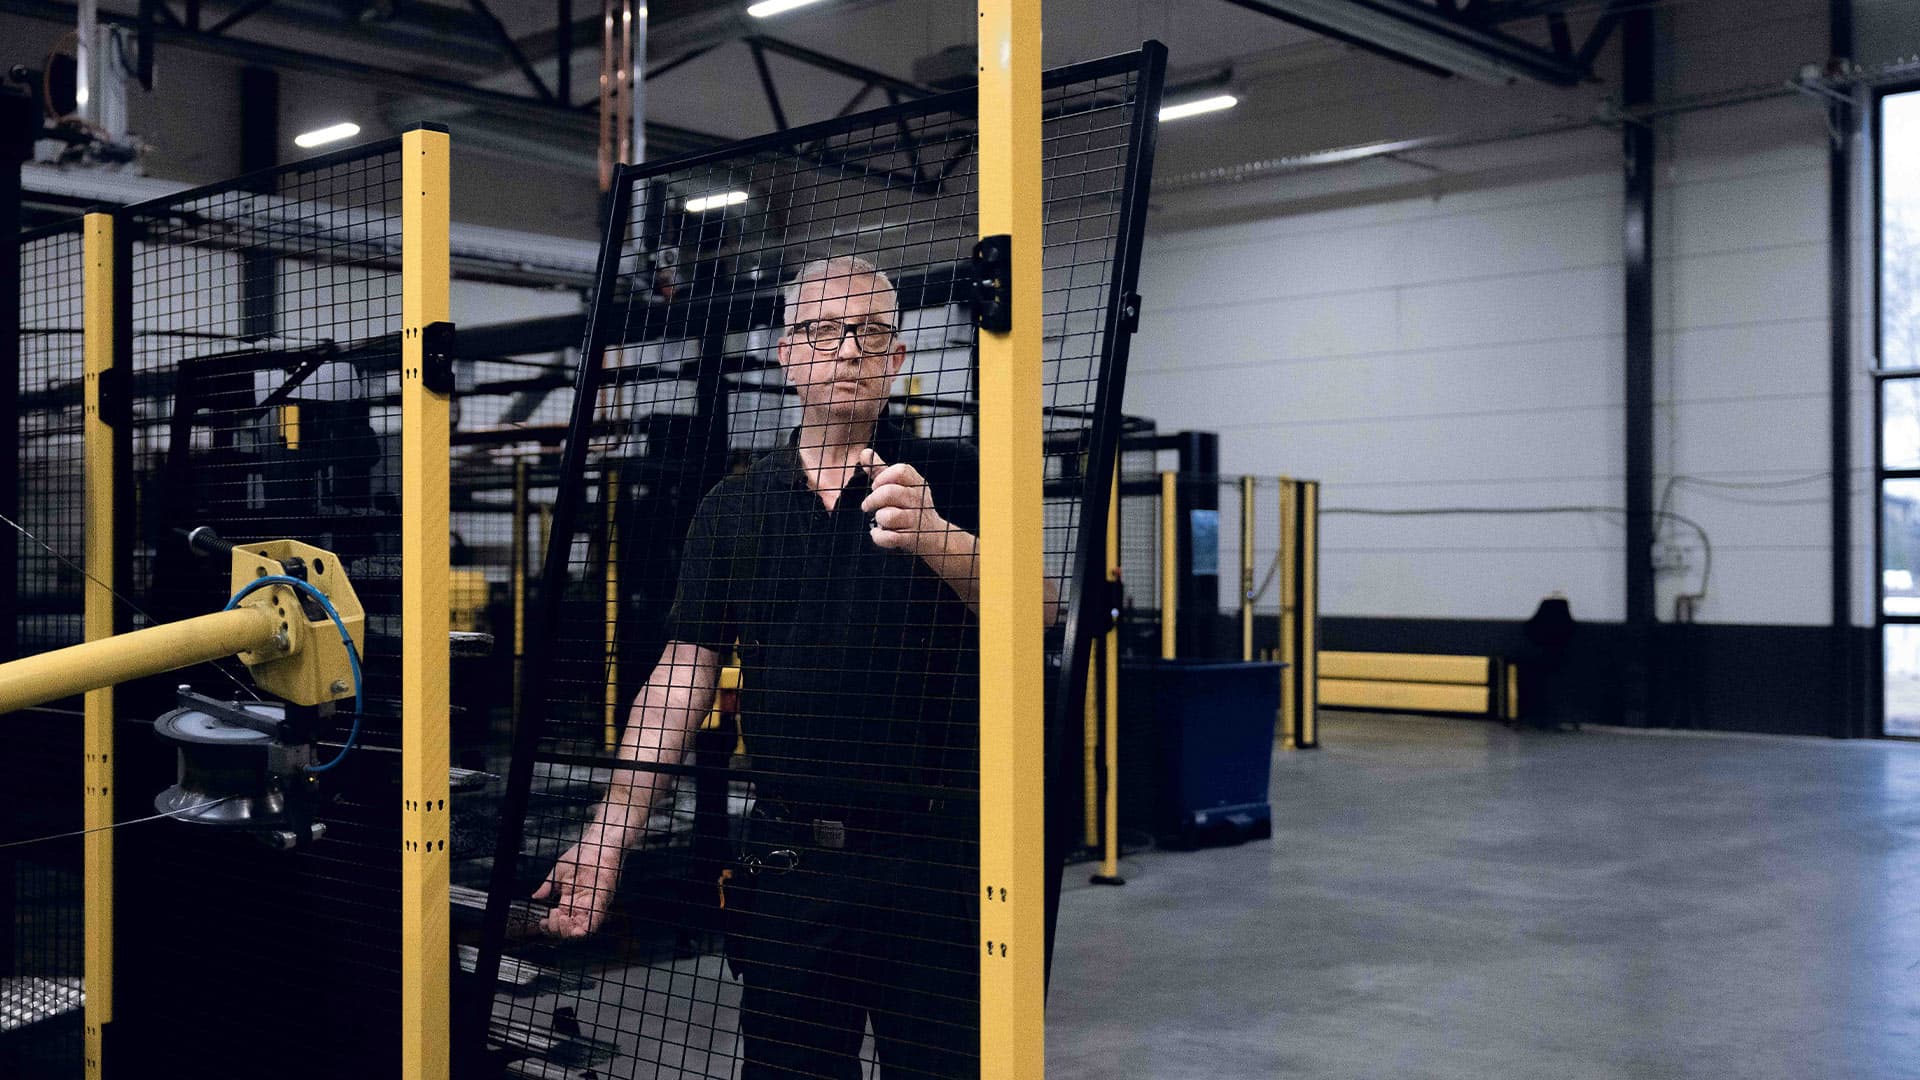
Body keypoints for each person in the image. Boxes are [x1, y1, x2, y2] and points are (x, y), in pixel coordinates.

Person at [536, 254, 1049, 1078]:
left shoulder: (955, 476)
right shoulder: (734, 507)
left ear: (896, 359)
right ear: (786, 353)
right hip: (791, 867)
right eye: (822, 331)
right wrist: (605, 840)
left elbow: (1043, 615)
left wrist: (936, 537)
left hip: (939, 862)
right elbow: (680, 679)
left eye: (871, 333)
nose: (847, 350)